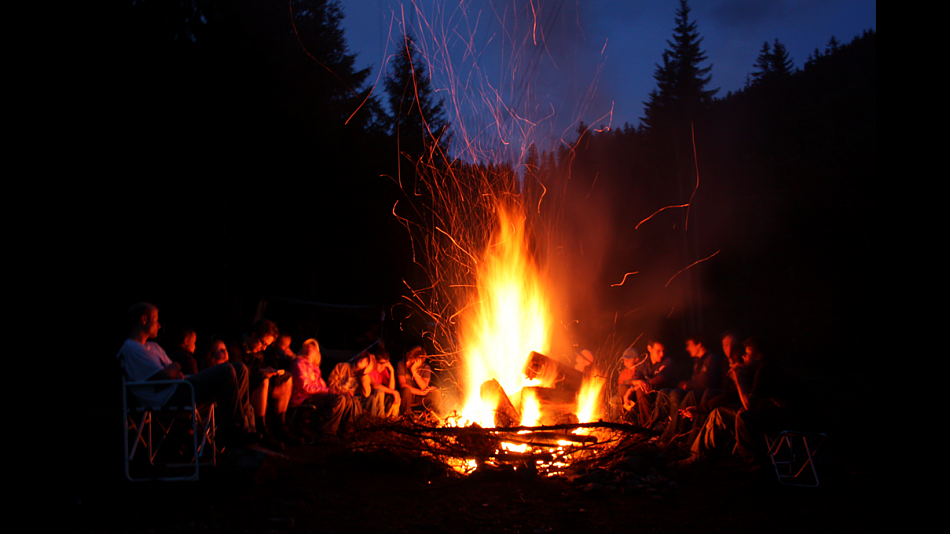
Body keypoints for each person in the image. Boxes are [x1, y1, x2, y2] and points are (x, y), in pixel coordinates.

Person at [116, 302, 257, 448]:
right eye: (156, 320)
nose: (159, 325)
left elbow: (176, 373)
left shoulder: (154, 347)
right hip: (167, 398)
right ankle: (230, 429)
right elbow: (165, 377)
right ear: (144, 319)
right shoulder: (132, 348)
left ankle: (244, 427)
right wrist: (174, 367)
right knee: (226, 370)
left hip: (180, 388)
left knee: (240, 369)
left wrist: (174, 369)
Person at [228, 320, 297, 449]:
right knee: (262, 378)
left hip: (258, 386)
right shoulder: (234, 347)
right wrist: (261, 373)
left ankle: (280, 426)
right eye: (263, 343)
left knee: (286, 378)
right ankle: (261, 430)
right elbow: (238, 374)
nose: (264, 348)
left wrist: (271, 370)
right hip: (240, 389)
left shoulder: (258, 350)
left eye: (267, 345)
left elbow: (260, 367)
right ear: (253, 334)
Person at [289, 339, 361, 437]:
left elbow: (322, 387)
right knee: (338, 400)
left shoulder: (315, 368)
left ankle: (346, 431)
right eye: (307, 346)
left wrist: (338, 392)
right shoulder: (299, 363)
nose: (309, 349)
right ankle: (326, 433)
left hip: (314, 397)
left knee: (348, 399)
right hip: (303, 399)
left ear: (317, 353)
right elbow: (305, 387)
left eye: (313, 348)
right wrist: (331, 391)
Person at [626, 339, 676, 426]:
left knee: (641, 390)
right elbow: (633, 380)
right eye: (658, 351)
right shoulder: (643, 361)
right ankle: (627, 424)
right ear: (649, 348)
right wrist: (638, 382)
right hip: (646, 391)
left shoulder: (667, 362)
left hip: (660, 393)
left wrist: (634, 388)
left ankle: (647, 427)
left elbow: (656, 381)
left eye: (663, 351)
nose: (662, 354)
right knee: (623, 388)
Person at [396, 341, 444, 417]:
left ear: (419, 362)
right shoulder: (401, 364)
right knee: (406, 390)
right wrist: (421, 392)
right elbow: (403, 385)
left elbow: (424, 387)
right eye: (407, 359)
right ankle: (405, 416)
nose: (407, 363)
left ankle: (439, 417)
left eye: (411, 361)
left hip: (420, 399)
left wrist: (413, 370)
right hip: (407, 397)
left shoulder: (426, 368)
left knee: (435, 392)